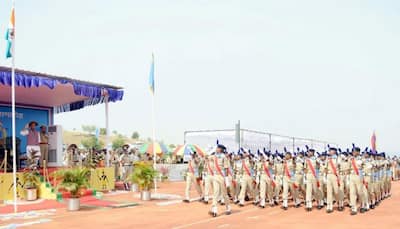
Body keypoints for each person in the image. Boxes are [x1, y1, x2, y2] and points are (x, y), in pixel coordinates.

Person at [209, 144, 231, 217]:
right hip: (215, 176)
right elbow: (207, 157)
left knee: (224, 194)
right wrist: (210, 150)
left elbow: (226, 168)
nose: (216, 149)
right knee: (215, 192)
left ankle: (228, 207)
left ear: (220, 149)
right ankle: (214, 209)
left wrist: (226, 179)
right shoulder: (214, 156)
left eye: (218, 148)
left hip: (222, 176)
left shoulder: (224, 157)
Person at [349, 147, 367, 215]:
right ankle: (354, 208)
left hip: (359, 176)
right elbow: (348, 167)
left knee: (360, 192)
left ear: (358, 152)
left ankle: (362, 206)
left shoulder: (362, 159)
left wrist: (364, 175)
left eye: (354, 151)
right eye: (353, 151)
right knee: (352, 192)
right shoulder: (350, 159)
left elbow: (366, 167)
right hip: (352, 176)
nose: (353, 152)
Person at [325, 147, 342, 213]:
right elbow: (325, 168)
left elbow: (340, 167)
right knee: (329, 191)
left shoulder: (338, 158)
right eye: (329, 151)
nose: (329, 152)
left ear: (334, 151)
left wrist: (339, 176)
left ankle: (340, 203)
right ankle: (329, 206)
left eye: (330, 151)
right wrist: (325, 176)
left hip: (335, 175)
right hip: (329, 175)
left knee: (336, 191)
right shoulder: (328, 159)